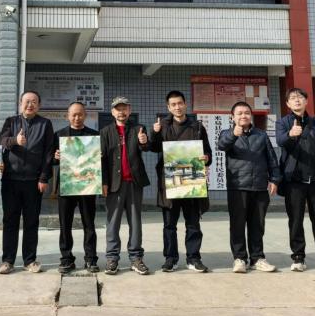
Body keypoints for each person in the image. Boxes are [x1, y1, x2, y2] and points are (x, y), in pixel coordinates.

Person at [276, 88, 315, 273]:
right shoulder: (283, 122)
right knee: (295, 220)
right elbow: (280, 141)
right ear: (287, 103)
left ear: (306, 101)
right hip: (294, 181)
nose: (297, 100)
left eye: (300, 97)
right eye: (293, 98)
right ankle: (298, 257)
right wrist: (290, 135)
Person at [150, 91, 212, 273]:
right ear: (168, 107)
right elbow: (153, 148)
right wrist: (154, 133)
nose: (177, 107)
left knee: (193, 223)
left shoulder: (197, 127)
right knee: (169, 225)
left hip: (192, 182)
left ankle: (194, 258)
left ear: (185, 104)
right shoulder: (163, 126)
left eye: (180, 103)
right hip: (170, 183)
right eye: (173, 104)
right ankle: (170, 259)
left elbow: (207, 153)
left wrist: (206, 158)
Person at [218, 101, 281, 273]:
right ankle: (239, 258)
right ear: (233, 117)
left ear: (251, 115)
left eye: (246, 113)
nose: (243, 116)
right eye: (239, 113)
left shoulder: (261, 135)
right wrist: (234, 134)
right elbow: (222, 145)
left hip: (260, 187)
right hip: (238, 187)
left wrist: (274, 179)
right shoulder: (227, 133)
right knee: (237, 225)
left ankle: (257, 258)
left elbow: (271, 158)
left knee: (257, 225)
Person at [0, 90, 54, 274]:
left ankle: (29, 260)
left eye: (34, 102)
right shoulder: (11, 121)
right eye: (27, 101)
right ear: (20, 103)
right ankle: (7, 260)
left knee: (31, 221)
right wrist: (15, 140)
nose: (30, 105)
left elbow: (48, 153)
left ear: (39, 105)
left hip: (33, 181)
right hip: (11, 180)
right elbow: (2, 141)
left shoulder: (45, 124)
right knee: (10, 221)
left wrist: (44, 177)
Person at [100, 96, 151, 275]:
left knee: (135, 221)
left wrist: (144, 141)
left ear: (129, 110)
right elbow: (102, 159)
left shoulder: (138, 129)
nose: (121, 112)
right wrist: (104, 182)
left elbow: (145, 147)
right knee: (112, 222)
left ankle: (136, 258)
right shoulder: (105, 132)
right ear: (112, 112)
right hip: (114, 184)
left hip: (134, 183)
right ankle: (112, 258)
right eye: (118, 108)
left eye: (124, 108)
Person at [52, 101, 100, 274]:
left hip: (88, 186)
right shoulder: (59, 135)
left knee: (89, 224)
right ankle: (66, 259)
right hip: (67, 185)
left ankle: (91, 259)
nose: (77, 117)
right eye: (73, 114)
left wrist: (98, 156)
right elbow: (50, 160)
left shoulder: (94, 136)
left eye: (80, 114)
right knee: (65, 224)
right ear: (68, 116)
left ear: (85, 115)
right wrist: (55, 157)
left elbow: (100, 162)